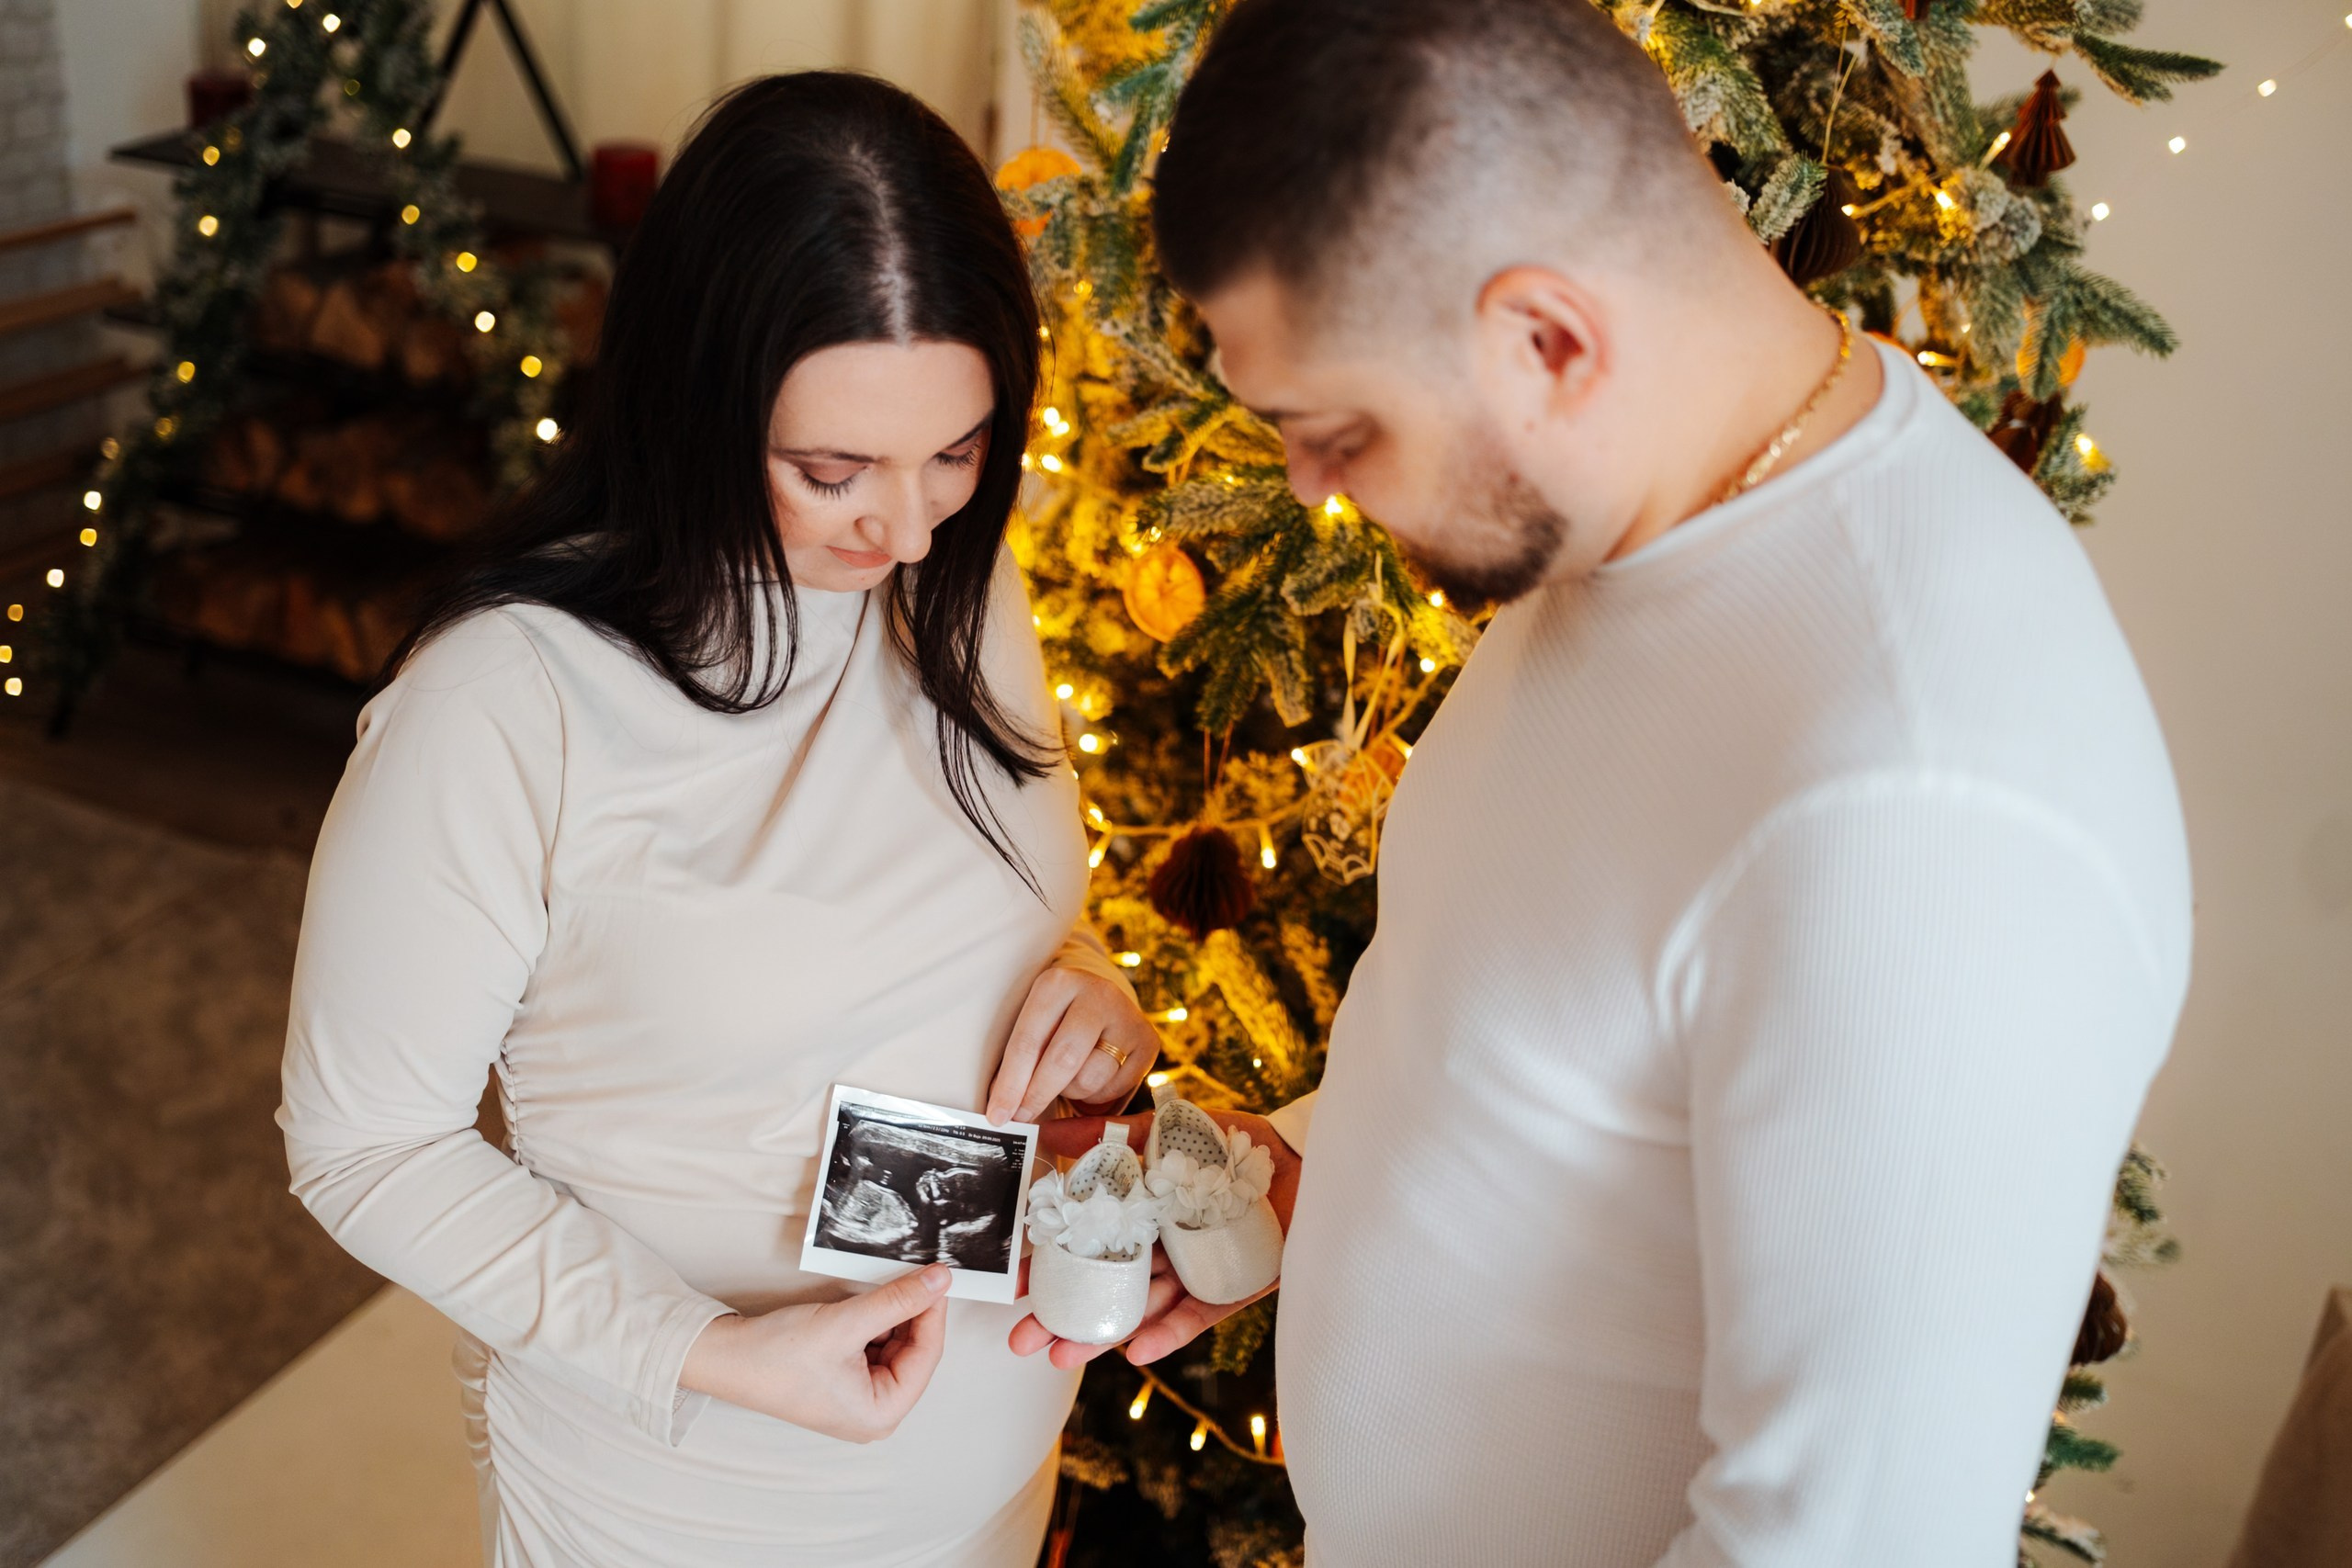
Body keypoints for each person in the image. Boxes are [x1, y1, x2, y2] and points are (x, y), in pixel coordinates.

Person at [1013, 1, 2193, 1562]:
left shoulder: (1923, 804)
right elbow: (1565, 1005)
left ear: (1548, 339)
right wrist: (1304, 1168)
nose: (1311, 485)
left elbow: (1837, 1546)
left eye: (1339, 428)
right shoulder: (1640, 526)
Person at [277, 73, 1159, 1568]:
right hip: (687, 1493)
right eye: (834, 471)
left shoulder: (957, 580)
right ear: (698, 403)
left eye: (957, 452)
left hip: (992, 1473)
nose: (908, 529)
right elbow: (362, 1142)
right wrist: (703, 1349)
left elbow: (965, 917)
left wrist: (1088, 1000)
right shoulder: (508, 703)